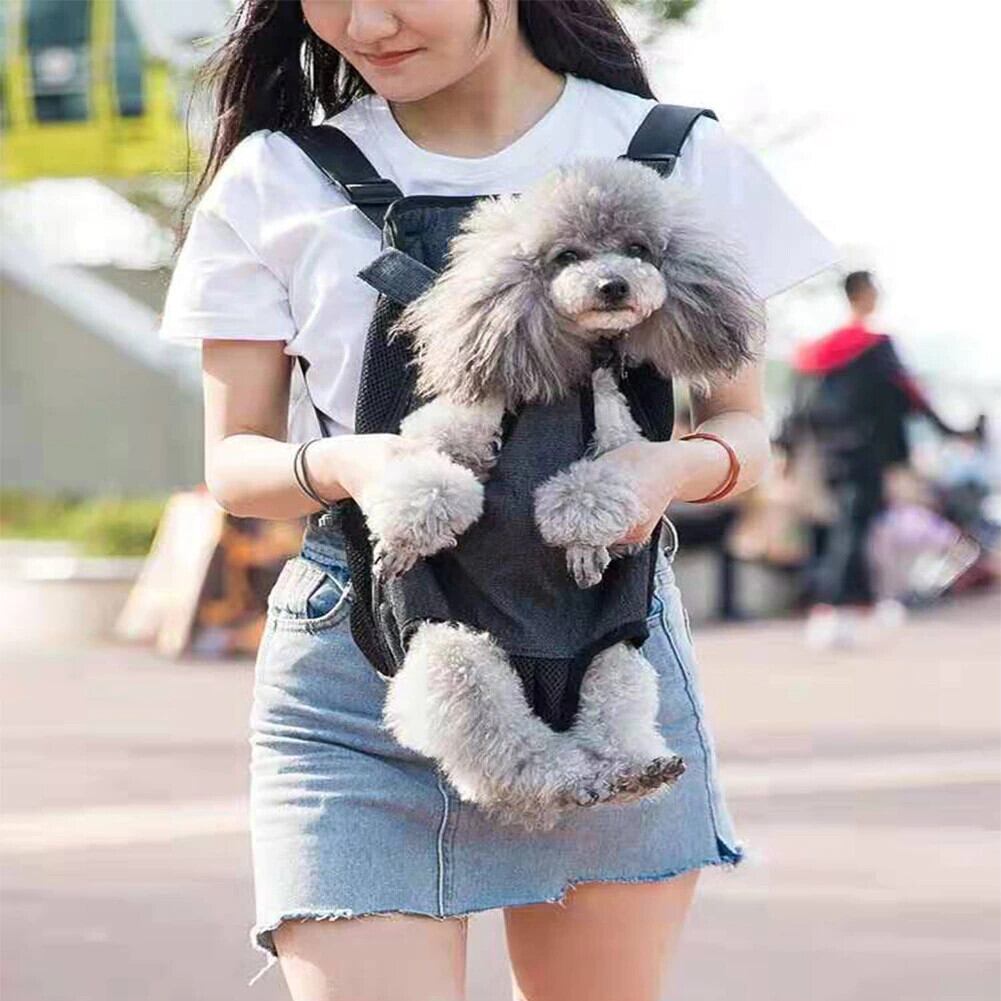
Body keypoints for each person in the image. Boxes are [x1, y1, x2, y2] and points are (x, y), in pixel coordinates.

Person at [160, 2, 839, 997]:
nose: (364, 23)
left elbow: (743, 429)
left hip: (602, 651)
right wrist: (354, 467)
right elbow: (234, 463)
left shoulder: (676, 155)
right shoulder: (276, 176)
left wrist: (659, 471)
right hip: (362, 660)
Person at [783, 270, 958, 648]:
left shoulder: (817, 351)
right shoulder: (876, 345)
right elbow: (910, 393)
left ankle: (848, 606)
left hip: (824, 452)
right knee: (853, 529)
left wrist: (787, 451)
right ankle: (833, 610)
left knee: (837, 528)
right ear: (862, 294)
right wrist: (951, 431)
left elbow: (795, 406)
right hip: (864, 451)